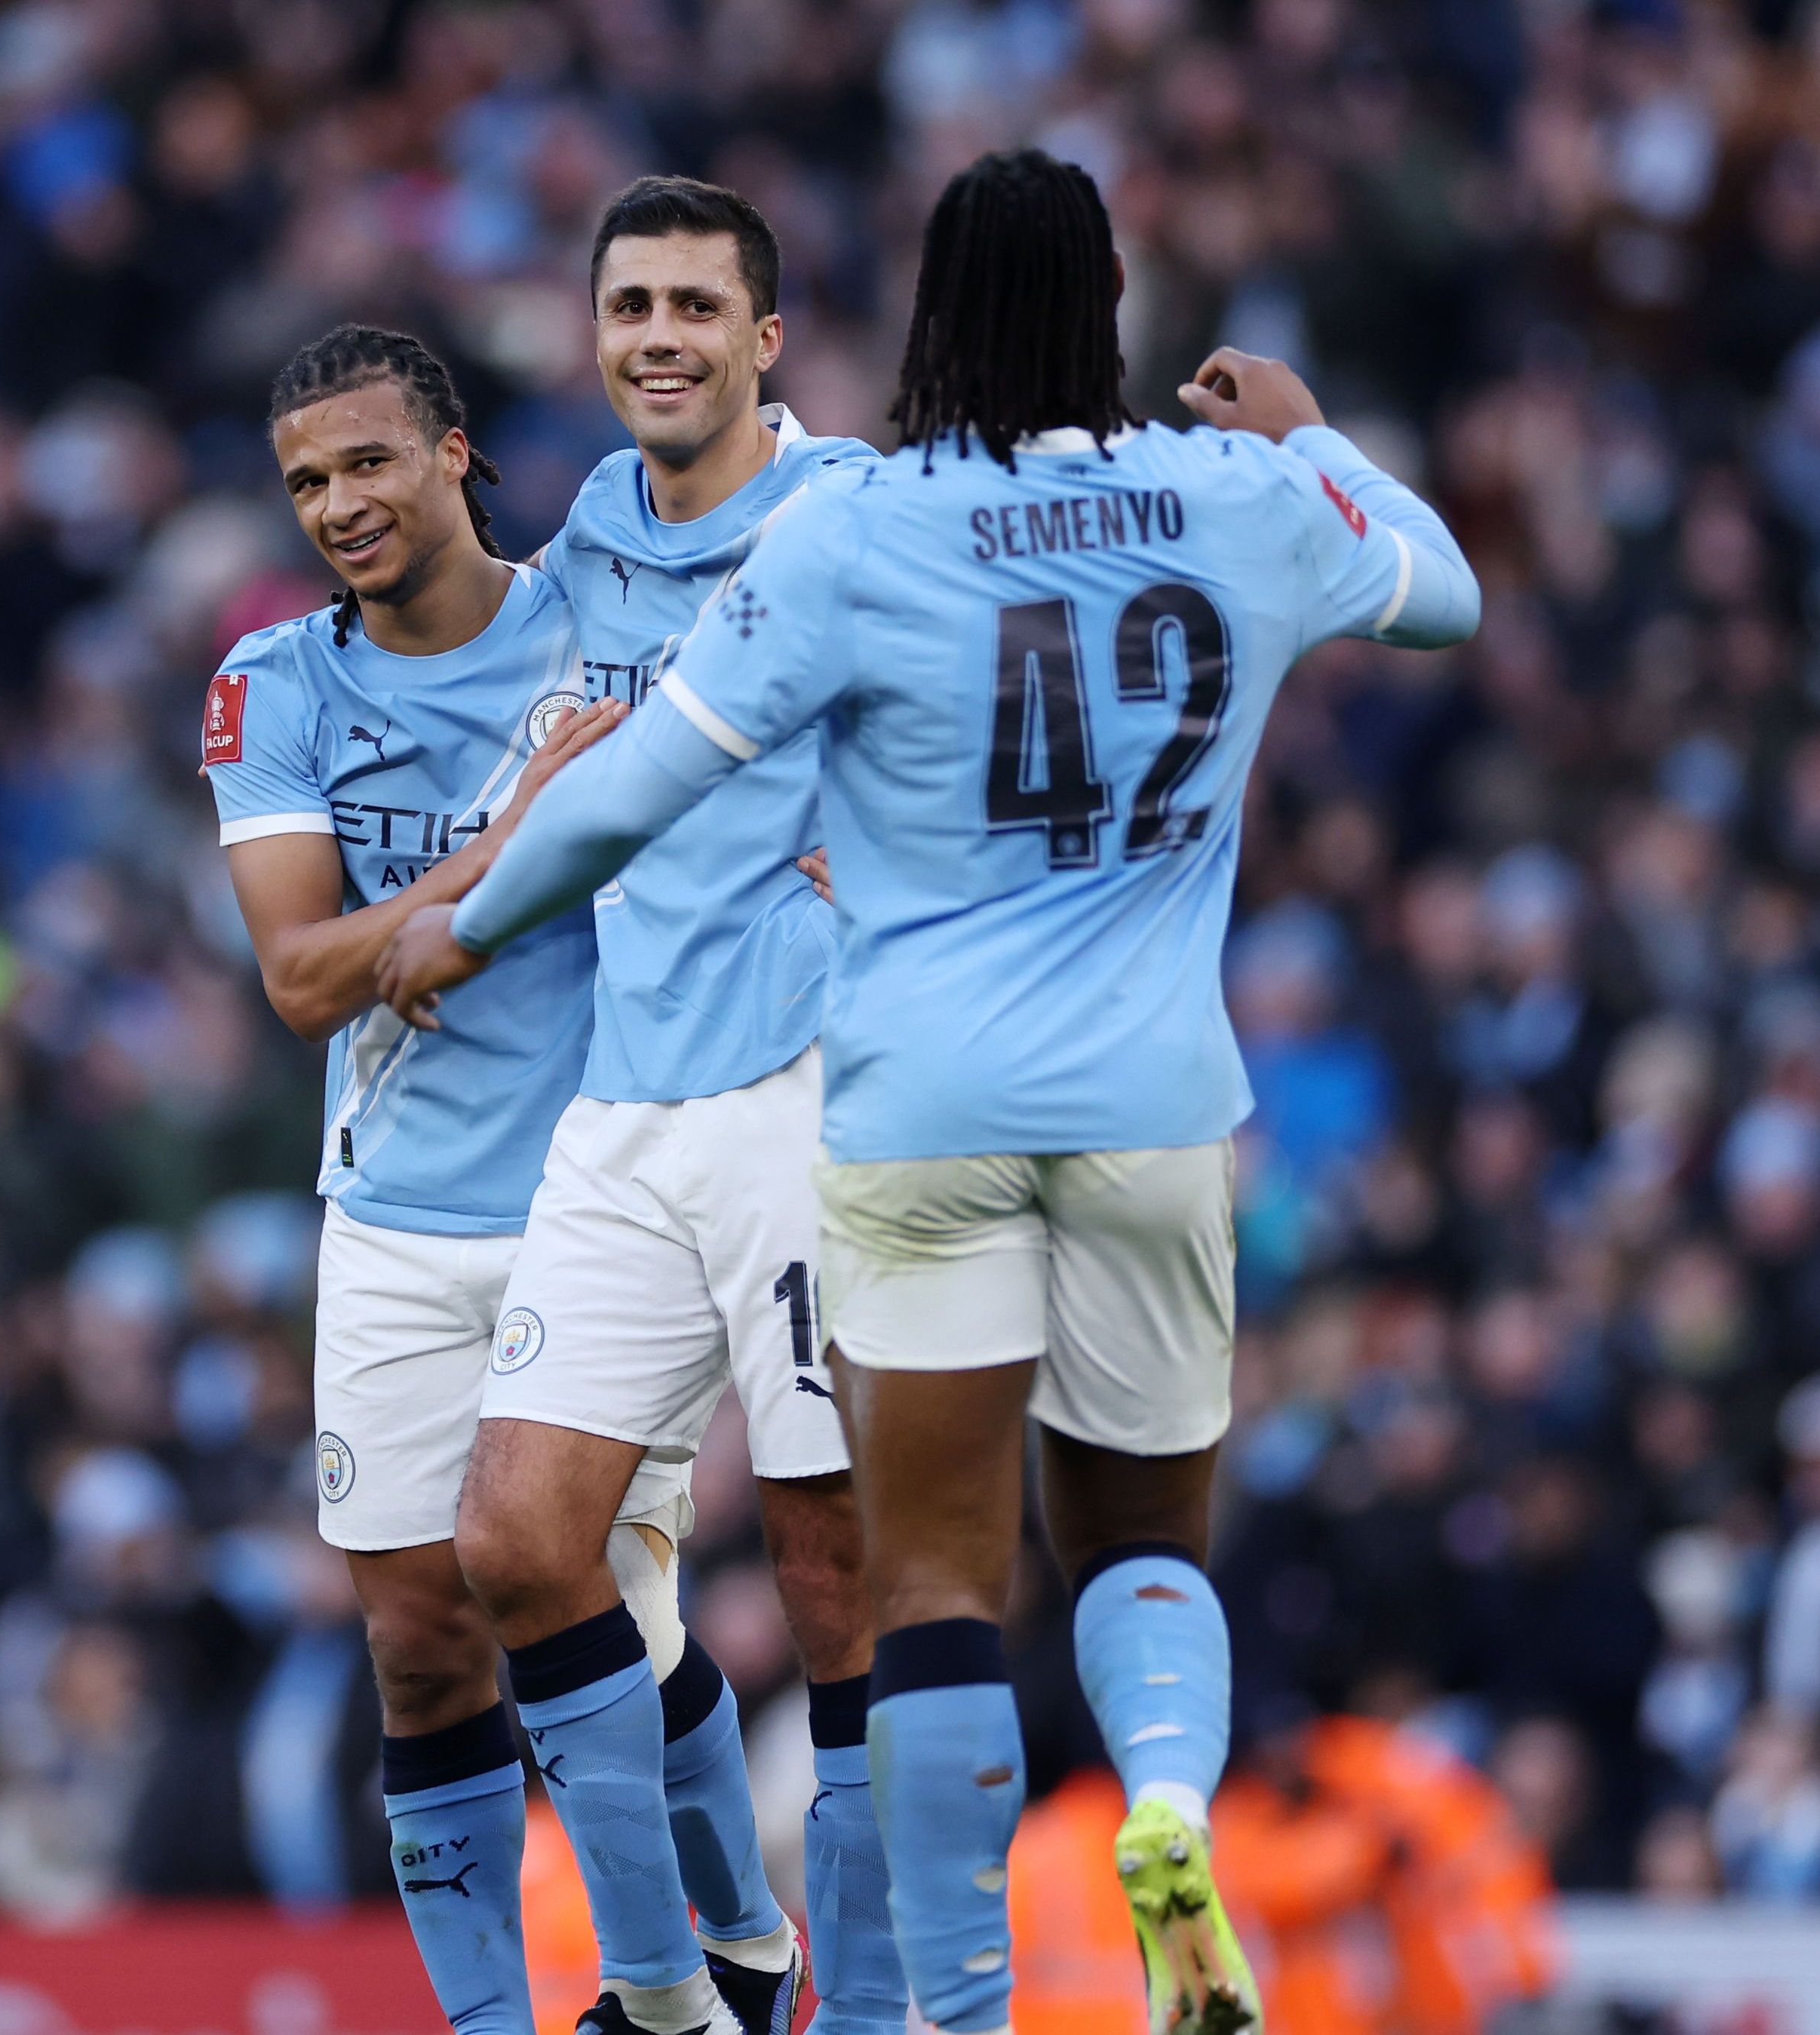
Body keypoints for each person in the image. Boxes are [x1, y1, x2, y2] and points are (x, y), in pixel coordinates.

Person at [377, 149, 1482, 2035]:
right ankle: (1156, 1807)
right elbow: (1444, 596)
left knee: (940, 1587)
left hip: (914, 1124)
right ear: (1112, 306)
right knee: (1140, 1544)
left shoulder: (861, 528)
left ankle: (953, 2014)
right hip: (1153, 1111)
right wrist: (1320, 440)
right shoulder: (1234, 499)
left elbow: (636, 787)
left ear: (920, 321)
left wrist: (460, 924)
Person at [207, 322, 787, 2035]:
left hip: (591, 1189)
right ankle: (508, 2017)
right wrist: (490, 861)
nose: (338, 504)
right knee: (418, 1642)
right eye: (307, 479)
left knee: (574, 1580)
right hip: (387, 1205)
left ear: (453, 450)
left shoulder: (594, 625)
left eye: (369, 461)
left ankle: (703, 1967)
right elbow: (303, 980)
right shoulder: (275, 681)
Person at [462, 174, 902, 2035]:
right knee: (513, 1541)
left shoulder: (851, 510)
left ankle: (873, 2002)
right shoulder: (589, 531)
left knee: (827, 1565)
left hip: (808, 1098)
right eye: (628, 304)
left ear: (763, 339)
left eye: (694, 308)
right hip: (623, 1104)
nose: (657, 336)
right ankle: (691, 1975)